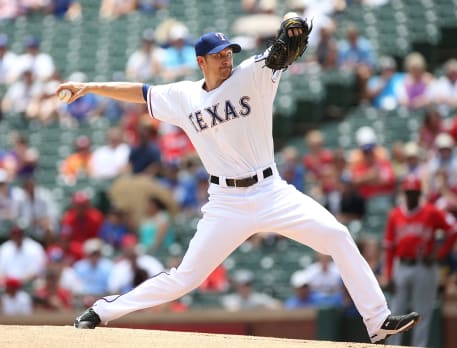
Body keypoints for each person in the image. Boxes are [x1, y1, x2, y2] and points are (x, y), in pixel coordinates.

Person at [58, 18, 419, 343]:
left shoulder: (253, 74)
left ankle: (378, 321)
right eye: (218, 55)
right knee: (185, 278)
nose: (226, 58)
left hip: (272, 191)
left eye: (228, 51)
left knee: (337, 236)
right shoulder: (183, 96)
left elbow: (278, 55)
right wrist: (89, 86)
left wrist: (291, 28)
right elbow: (141, 92)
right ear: (201, 61)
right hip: (226, 204)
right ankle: (101, 312)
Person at [382, 176, 457, 347]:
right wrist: (389, 274)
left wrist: (440, 253)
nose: (411, 196)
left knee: (421, 313)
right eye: (409, 193)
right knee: (395, 313)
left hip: (424, 267)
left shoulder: (431, 212)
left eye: (414, 193)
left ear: (419, 194)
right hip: (401, 266)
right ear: (404, 193)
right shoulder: (395, 215)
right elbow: (389, 248)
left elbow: (454, 230)